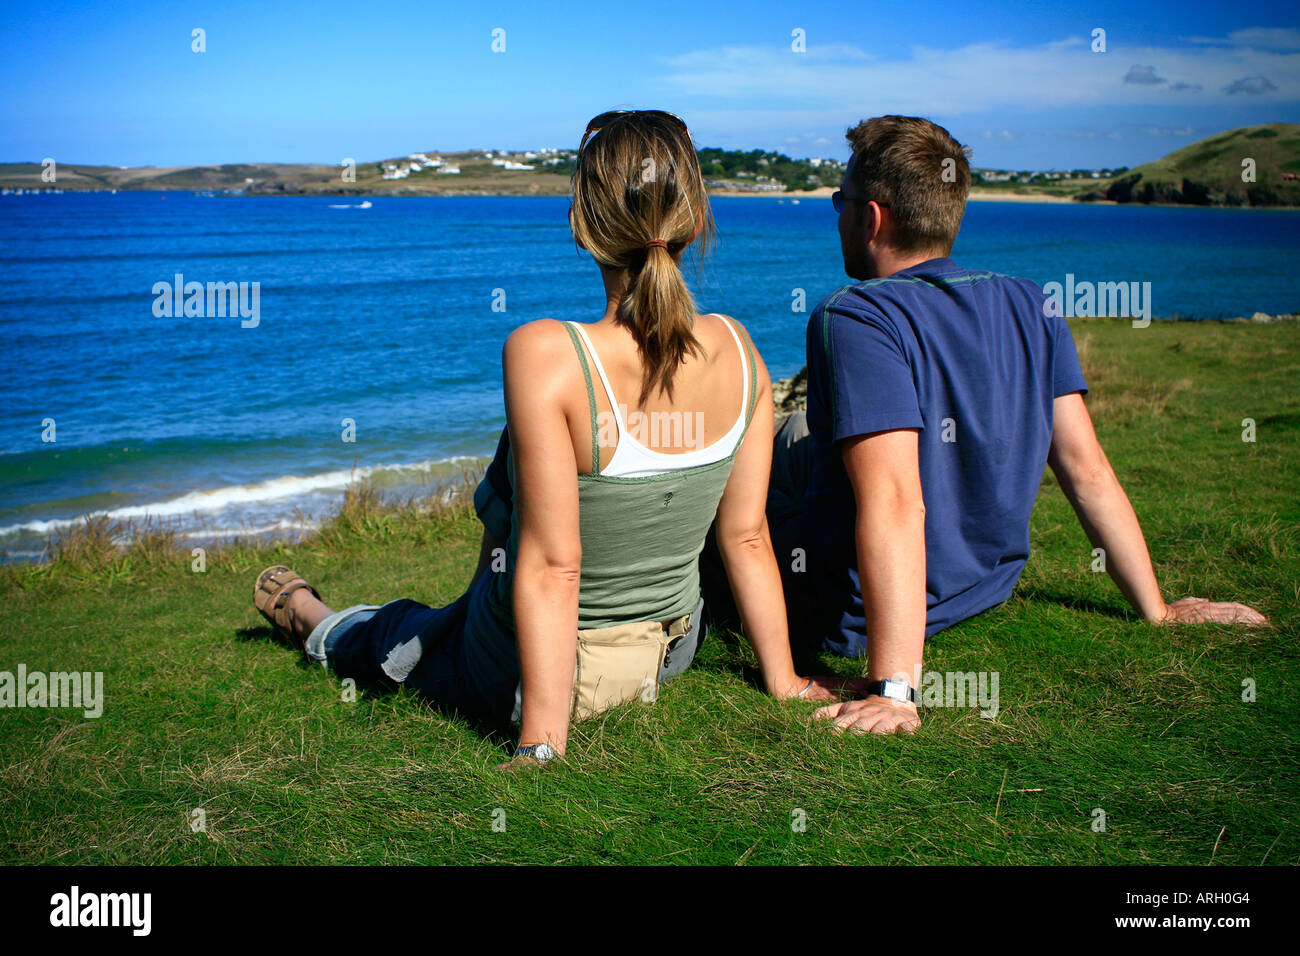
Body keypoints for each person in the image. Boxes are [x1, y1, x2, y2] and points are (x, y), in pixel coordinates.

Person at [252, 109, 851, 766]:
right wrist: (787, 681)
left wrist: (541, 741)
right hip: (667, 656)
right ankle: (449, 610)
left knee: (402, 633)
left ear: (581, 226)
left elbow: (557, 566)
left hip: (542, 673)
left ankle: (311, 616)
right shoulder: (740, 349)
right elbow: (745, 537)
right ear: (697, 221)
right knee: (523, 479)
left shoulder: (547, 353)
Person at [740, 115, 1268, 736]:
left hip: (845, 617)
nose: (838, 215)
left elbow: (896, 500)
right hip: (981, 588)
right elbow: (1086, 468)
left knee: (741, 487)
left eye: (841, 201)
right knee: (798, 430)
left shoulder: (855, 315)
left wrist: (894, 688)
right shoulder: (1029, 300)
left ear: (873, 217)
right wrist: (1158, 610)